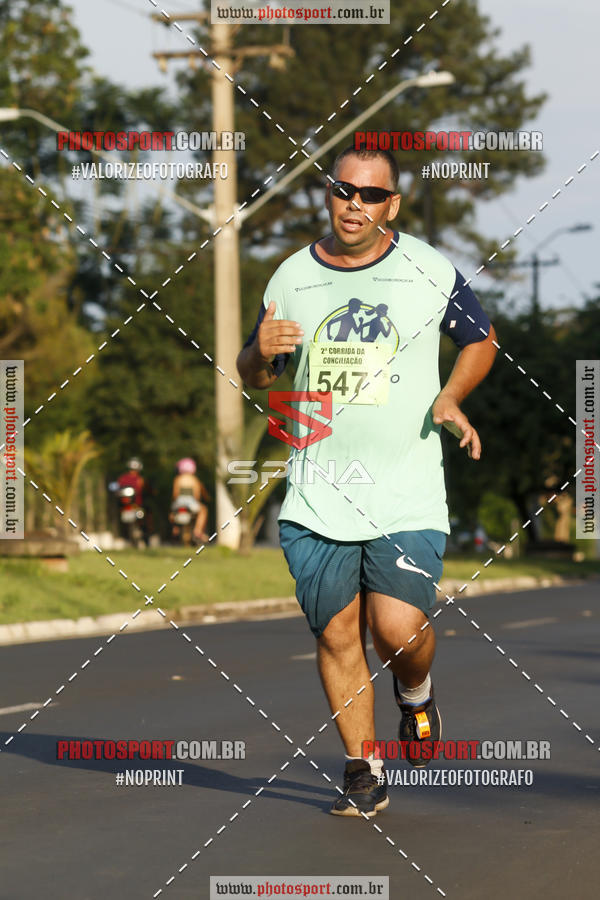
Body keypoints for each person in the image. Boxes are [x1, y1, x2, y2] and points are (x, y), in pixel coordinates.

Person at [237, 146, 497, 818]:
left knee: (398, 628)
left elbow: (481, 339)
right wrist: (258, 355)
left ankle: (416, 691)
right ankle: (363, 768)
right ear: (328, 196)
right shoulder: (293, 276)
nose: (354, 204)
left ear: (393, 206)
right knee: (336, 633)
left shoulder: (427, 268)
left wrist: (450, 398)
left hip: (404, 486)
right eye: (341, 190)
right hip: (318, 487)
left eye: (370, 195)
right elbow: (258, 373)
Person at [171, 457, 210, 542]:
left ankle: (175, 528)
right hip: (191, 503)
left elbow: (175, 494)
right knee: (203, 510)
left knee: (172, 514)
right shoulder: (194, 479)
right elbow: (197, 495)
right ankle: (198, 531)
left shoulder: (177, 479)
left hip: (179, 503)